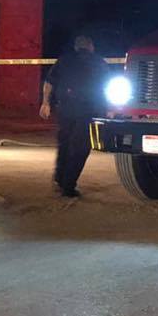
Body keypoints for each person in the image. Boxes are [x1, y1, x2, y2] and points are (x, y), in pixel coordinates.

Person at [39, 35, 109, 198]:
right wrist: (109, 109)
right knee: (80, 148)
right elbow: (107, 87)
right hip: (88, 110)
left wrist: (45, 103)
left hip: (65, 108)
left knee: (64, 143)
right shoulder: (99, 62)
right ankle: (68, 186)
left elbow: (49, 82)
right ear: (91, 46)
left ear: (76, 47)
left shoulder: (64, 60)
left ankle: (59, 178)